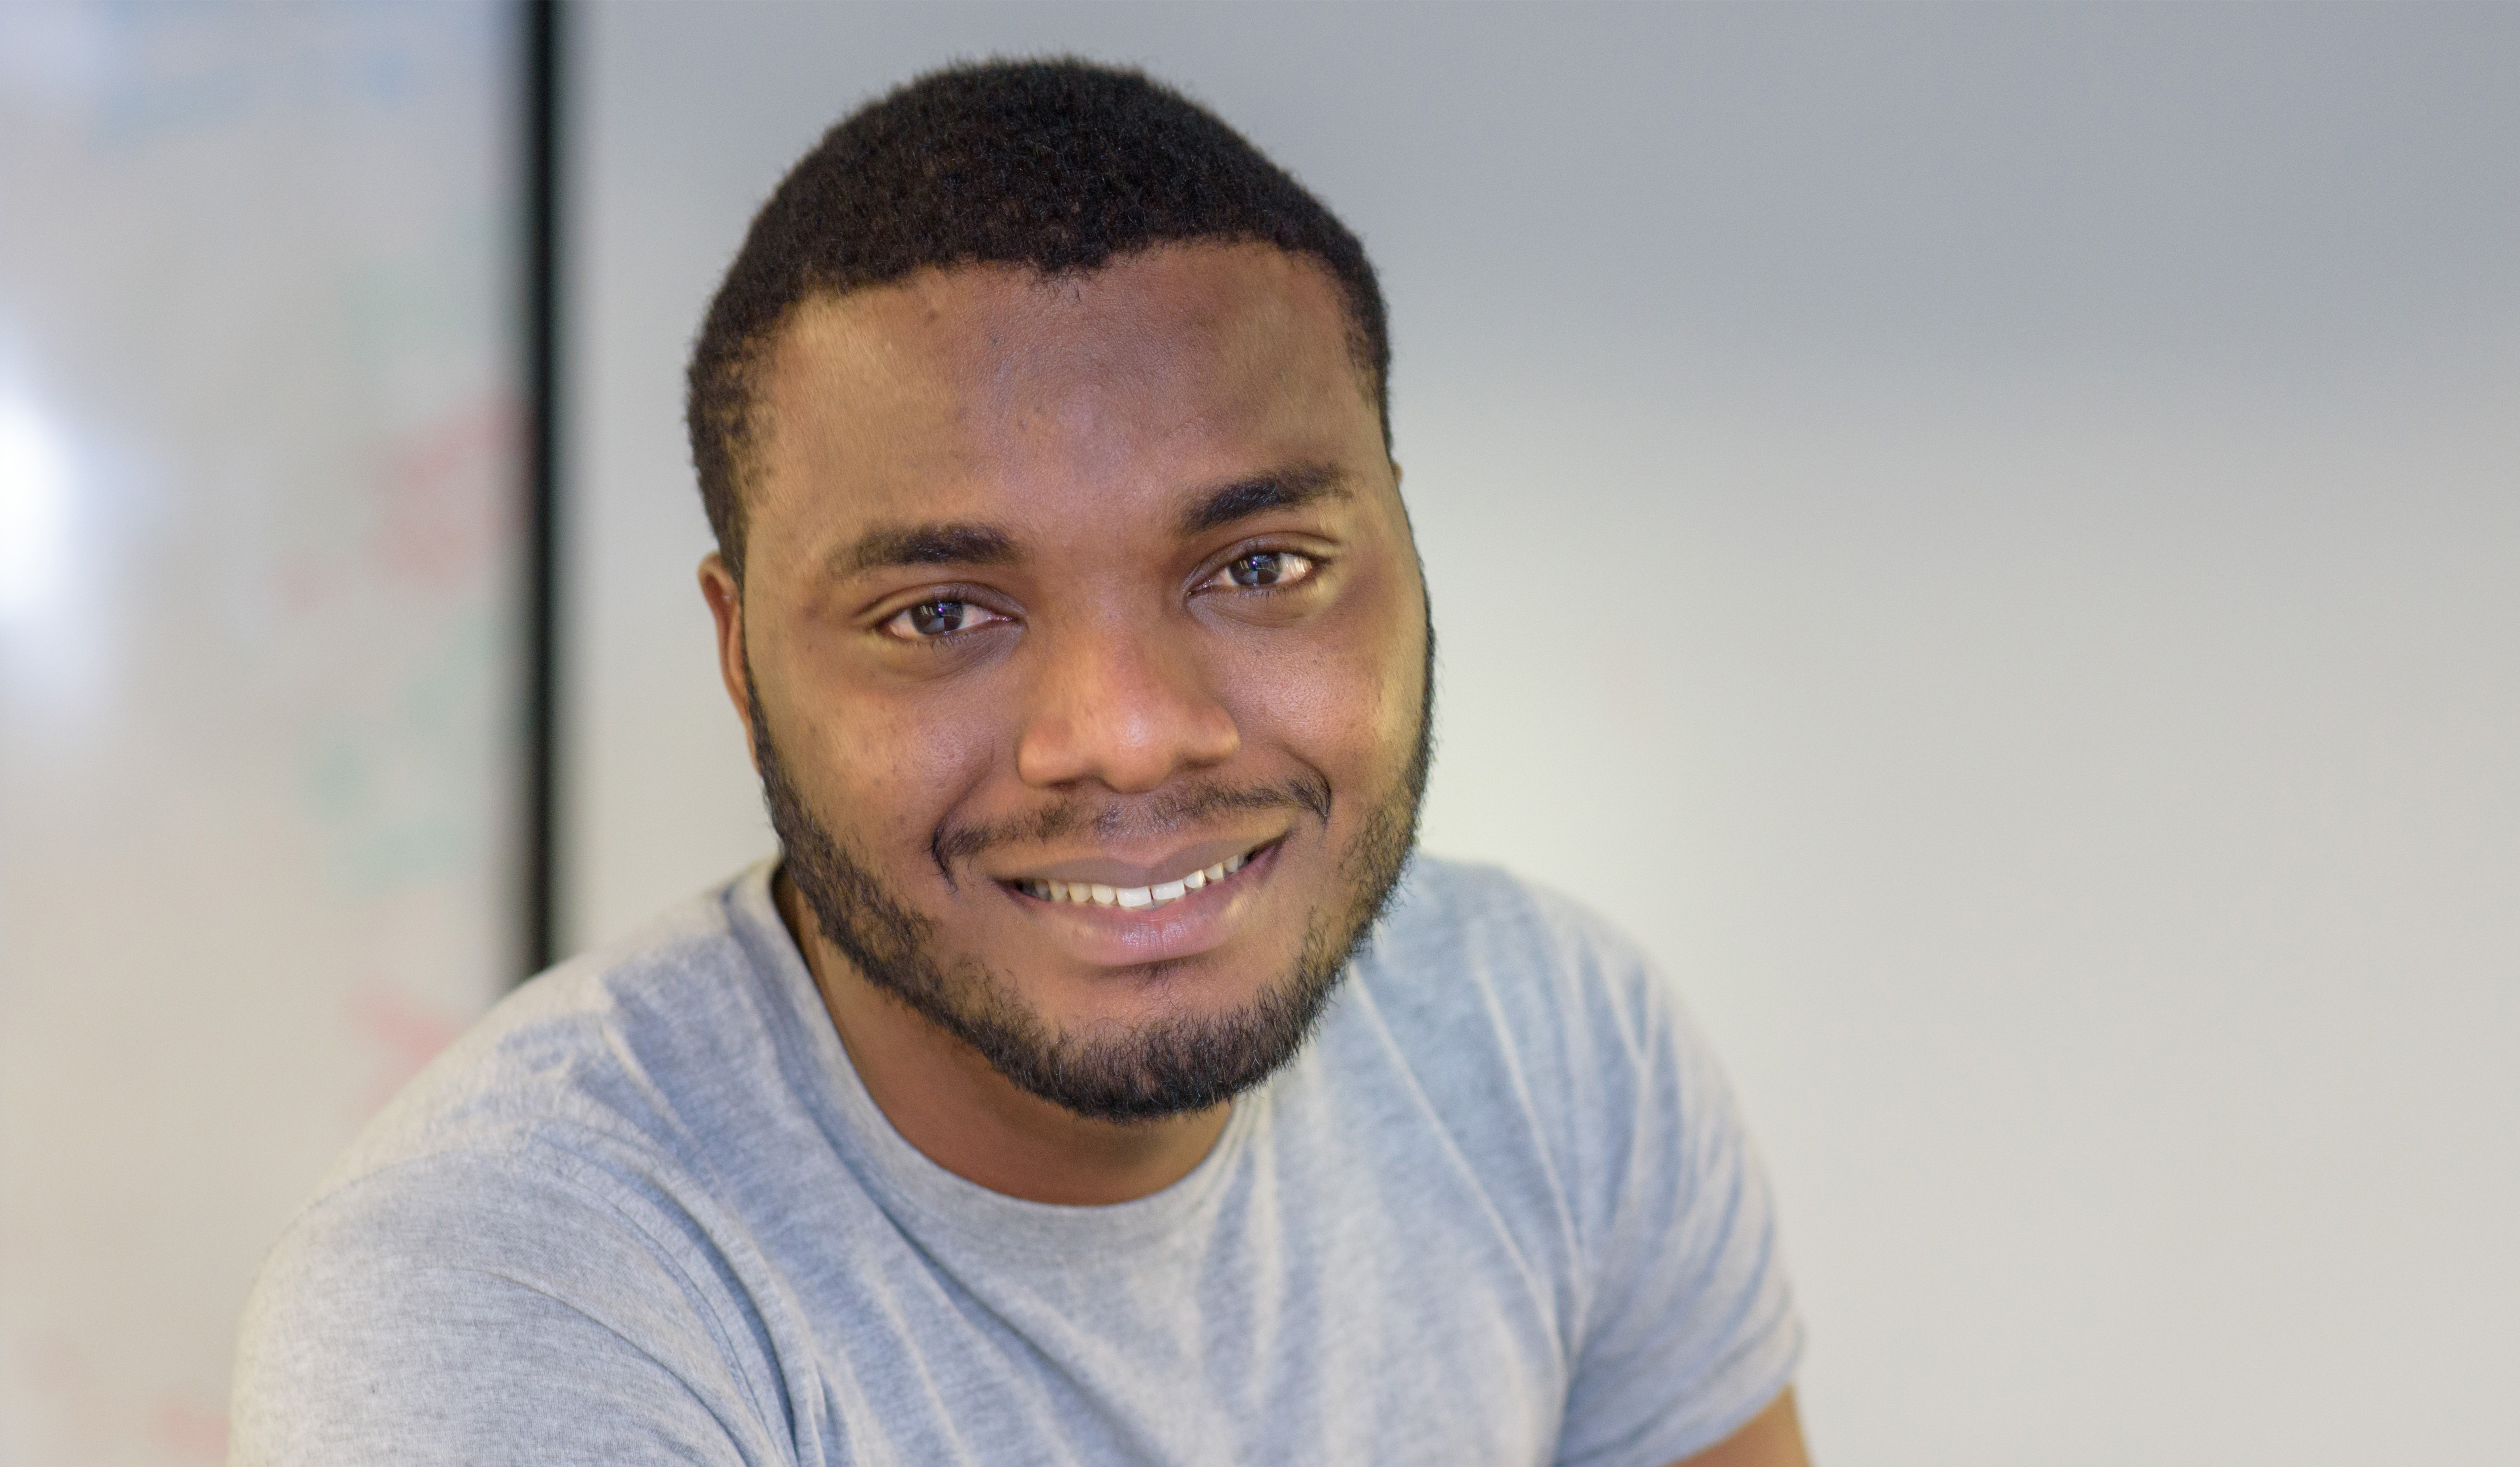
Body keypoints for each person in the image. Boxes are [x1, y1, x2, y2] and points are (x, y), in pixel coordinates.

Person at [232, 59, 1809, 1466]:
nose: (1125, 730)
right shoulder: (503, 1289)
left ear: (1403, 538)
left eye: (1258, 568)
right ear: (741, 658)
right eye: (939, 611)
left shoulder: (1559, 1051)